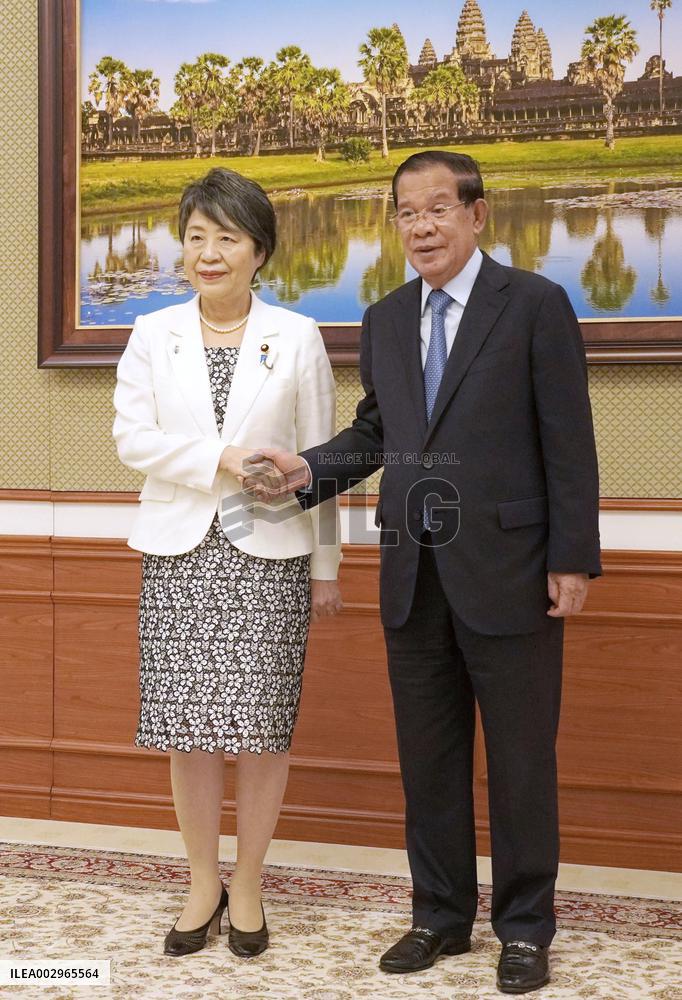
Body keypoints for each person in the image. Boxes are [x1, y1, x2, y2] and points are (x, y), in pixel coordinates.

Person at [244, 151, 601, 994]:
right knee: (429, 758)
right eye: (406, 213)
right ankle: (438, 916)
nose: (422, 227)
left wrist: (572, 557)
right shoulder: (384, 316)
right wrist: (307, 471)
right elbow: (377, 433)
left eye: (438, 208)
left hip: (512, 570)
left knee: (521, 759)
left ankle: (522, 927)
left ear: (478, 215)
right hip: (411, 572)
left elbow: (570, 440)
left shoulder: (537, 305)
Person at [112, 167, 342, 959]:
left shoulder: (298, 336)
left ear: (260, 251)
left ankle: (249, 883)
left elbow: (323, 462)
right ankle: (201, 880)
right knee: (190, 731)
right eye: (196, 235)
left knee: (264, 728)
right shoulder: (153, 333)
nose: (208, 253)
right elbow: (132, 440)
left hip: (269, 553)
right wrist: (224, 456)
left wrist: (327, 570)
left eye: (227, 238)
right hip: (179, 552)